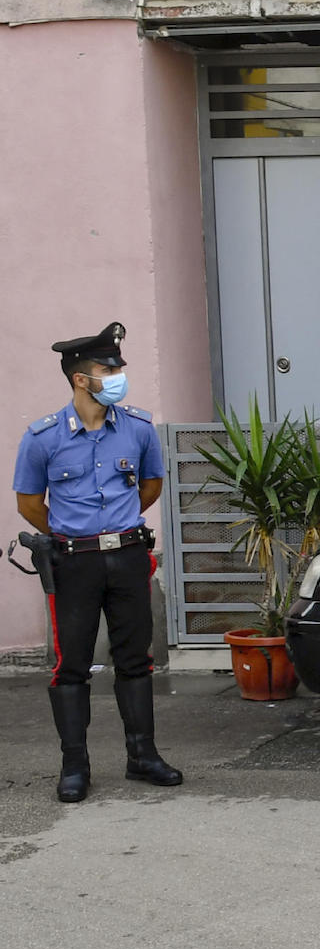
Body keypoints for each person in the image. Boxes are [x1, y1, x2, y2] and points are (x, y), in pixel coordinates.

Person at [13, 322, 182, 803]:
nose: (118, 375)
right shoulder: (43, 438)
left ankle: (142, 756)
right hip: (75, 563)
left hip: (129, 557)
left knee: (135, 660)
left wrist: (117, 527)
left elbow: (151, 485)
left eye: (118, 367)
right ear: (80, 379)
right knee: (72, 666)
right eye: (108, 369)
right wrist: (74, 532)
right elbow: (29, 503)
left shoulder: (137, 428)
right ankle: (74, 766)